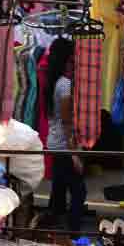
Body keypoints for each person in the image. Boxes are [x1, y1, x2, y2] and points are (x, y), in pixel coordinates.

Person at [44, 38, 86, 231]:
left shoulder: (52, 82)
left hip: (54, 143)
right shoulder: (65, 86)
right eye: (71, 61)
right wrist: (75, 154)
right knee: (78, 191)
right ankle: (75, 232)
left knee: (59, 187)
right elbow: (68, 123)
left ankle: (54, 222)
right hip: (63, 145)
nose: (74, 64)